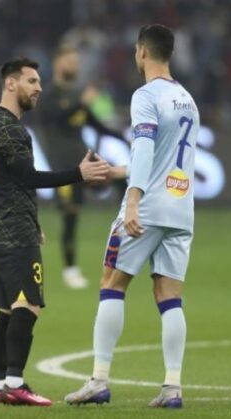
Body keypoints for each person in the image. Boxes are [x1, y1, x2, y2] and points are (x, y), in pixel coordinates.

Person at [64, 24, 198, 409]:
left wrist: (133, 198)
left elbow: (144, 149)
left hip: (148, 205)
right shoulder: (186, 99)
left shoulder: (146, 95)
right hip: (181, 207)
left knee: (112, 283)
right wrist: (117, 172)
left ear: (142, 52)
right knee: (169, 296)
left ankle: (98, 381)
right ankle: (173, 387)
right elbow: (167, 157)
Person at [0, 57, 110, 406]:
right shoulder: (9, 128)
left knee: (8, 309)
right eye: (32, 81)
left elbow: (11, 183)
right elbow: (30, 178)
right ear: (10, 84)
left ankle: (0, 384)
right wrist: (78, 173)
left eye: (39, 82)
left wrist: (33, 223)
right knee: (29, 304)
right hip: (11, 231)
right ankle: (16, 384)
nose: (38, 88)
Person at [39, 44, 125, 289]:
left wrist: (126, 138)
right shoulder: (49, 94)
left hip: (84, 158)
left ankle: (127, 240)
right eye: (71, 61)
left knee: (121, 178)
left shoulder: (77, 95)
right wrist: (80, 103)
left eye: (76, 62)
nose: (75, 65)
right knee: (70, 216)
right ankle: (70, 270)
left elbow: (96, 125)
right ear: (58, 64)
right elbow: (55, 115)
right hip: (63, 167)